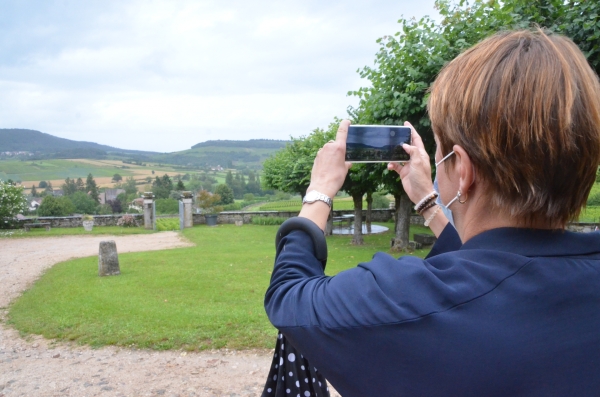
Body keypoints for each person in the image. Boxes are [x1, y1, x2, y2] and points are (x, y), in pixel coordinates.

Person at [264, 29, 600, 396]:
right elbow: (494, 261)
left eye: (442, 154)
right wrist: (429, 200)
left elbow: (288, 295)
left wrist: (320, 191)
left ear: (465, 171)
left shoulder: (404, 299)